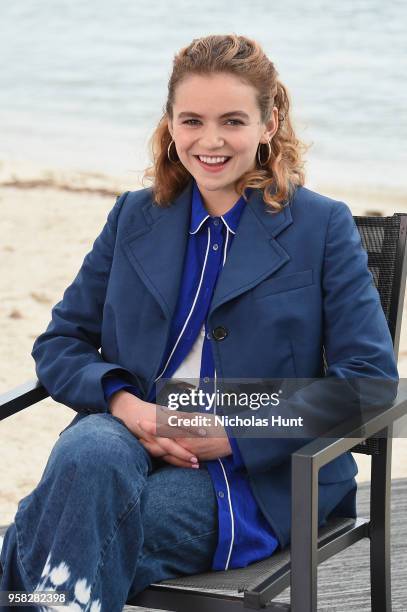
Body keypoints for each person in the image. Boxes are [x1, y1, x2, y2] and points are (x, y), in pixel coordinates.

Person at [0, 33, 398, 612]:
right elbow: (62, 342)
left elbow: (367, 385)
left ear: (269, 123)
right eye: (191, 120)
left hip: (256, 475)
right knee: (89, 453)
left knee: (66, 541)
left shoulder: (322, 226)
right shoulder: (134, 216)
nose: (210, 141)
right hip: (125, 435)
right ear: (170, 124)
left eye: (232, 121)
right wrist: (125, 406)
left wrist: (236, 432)